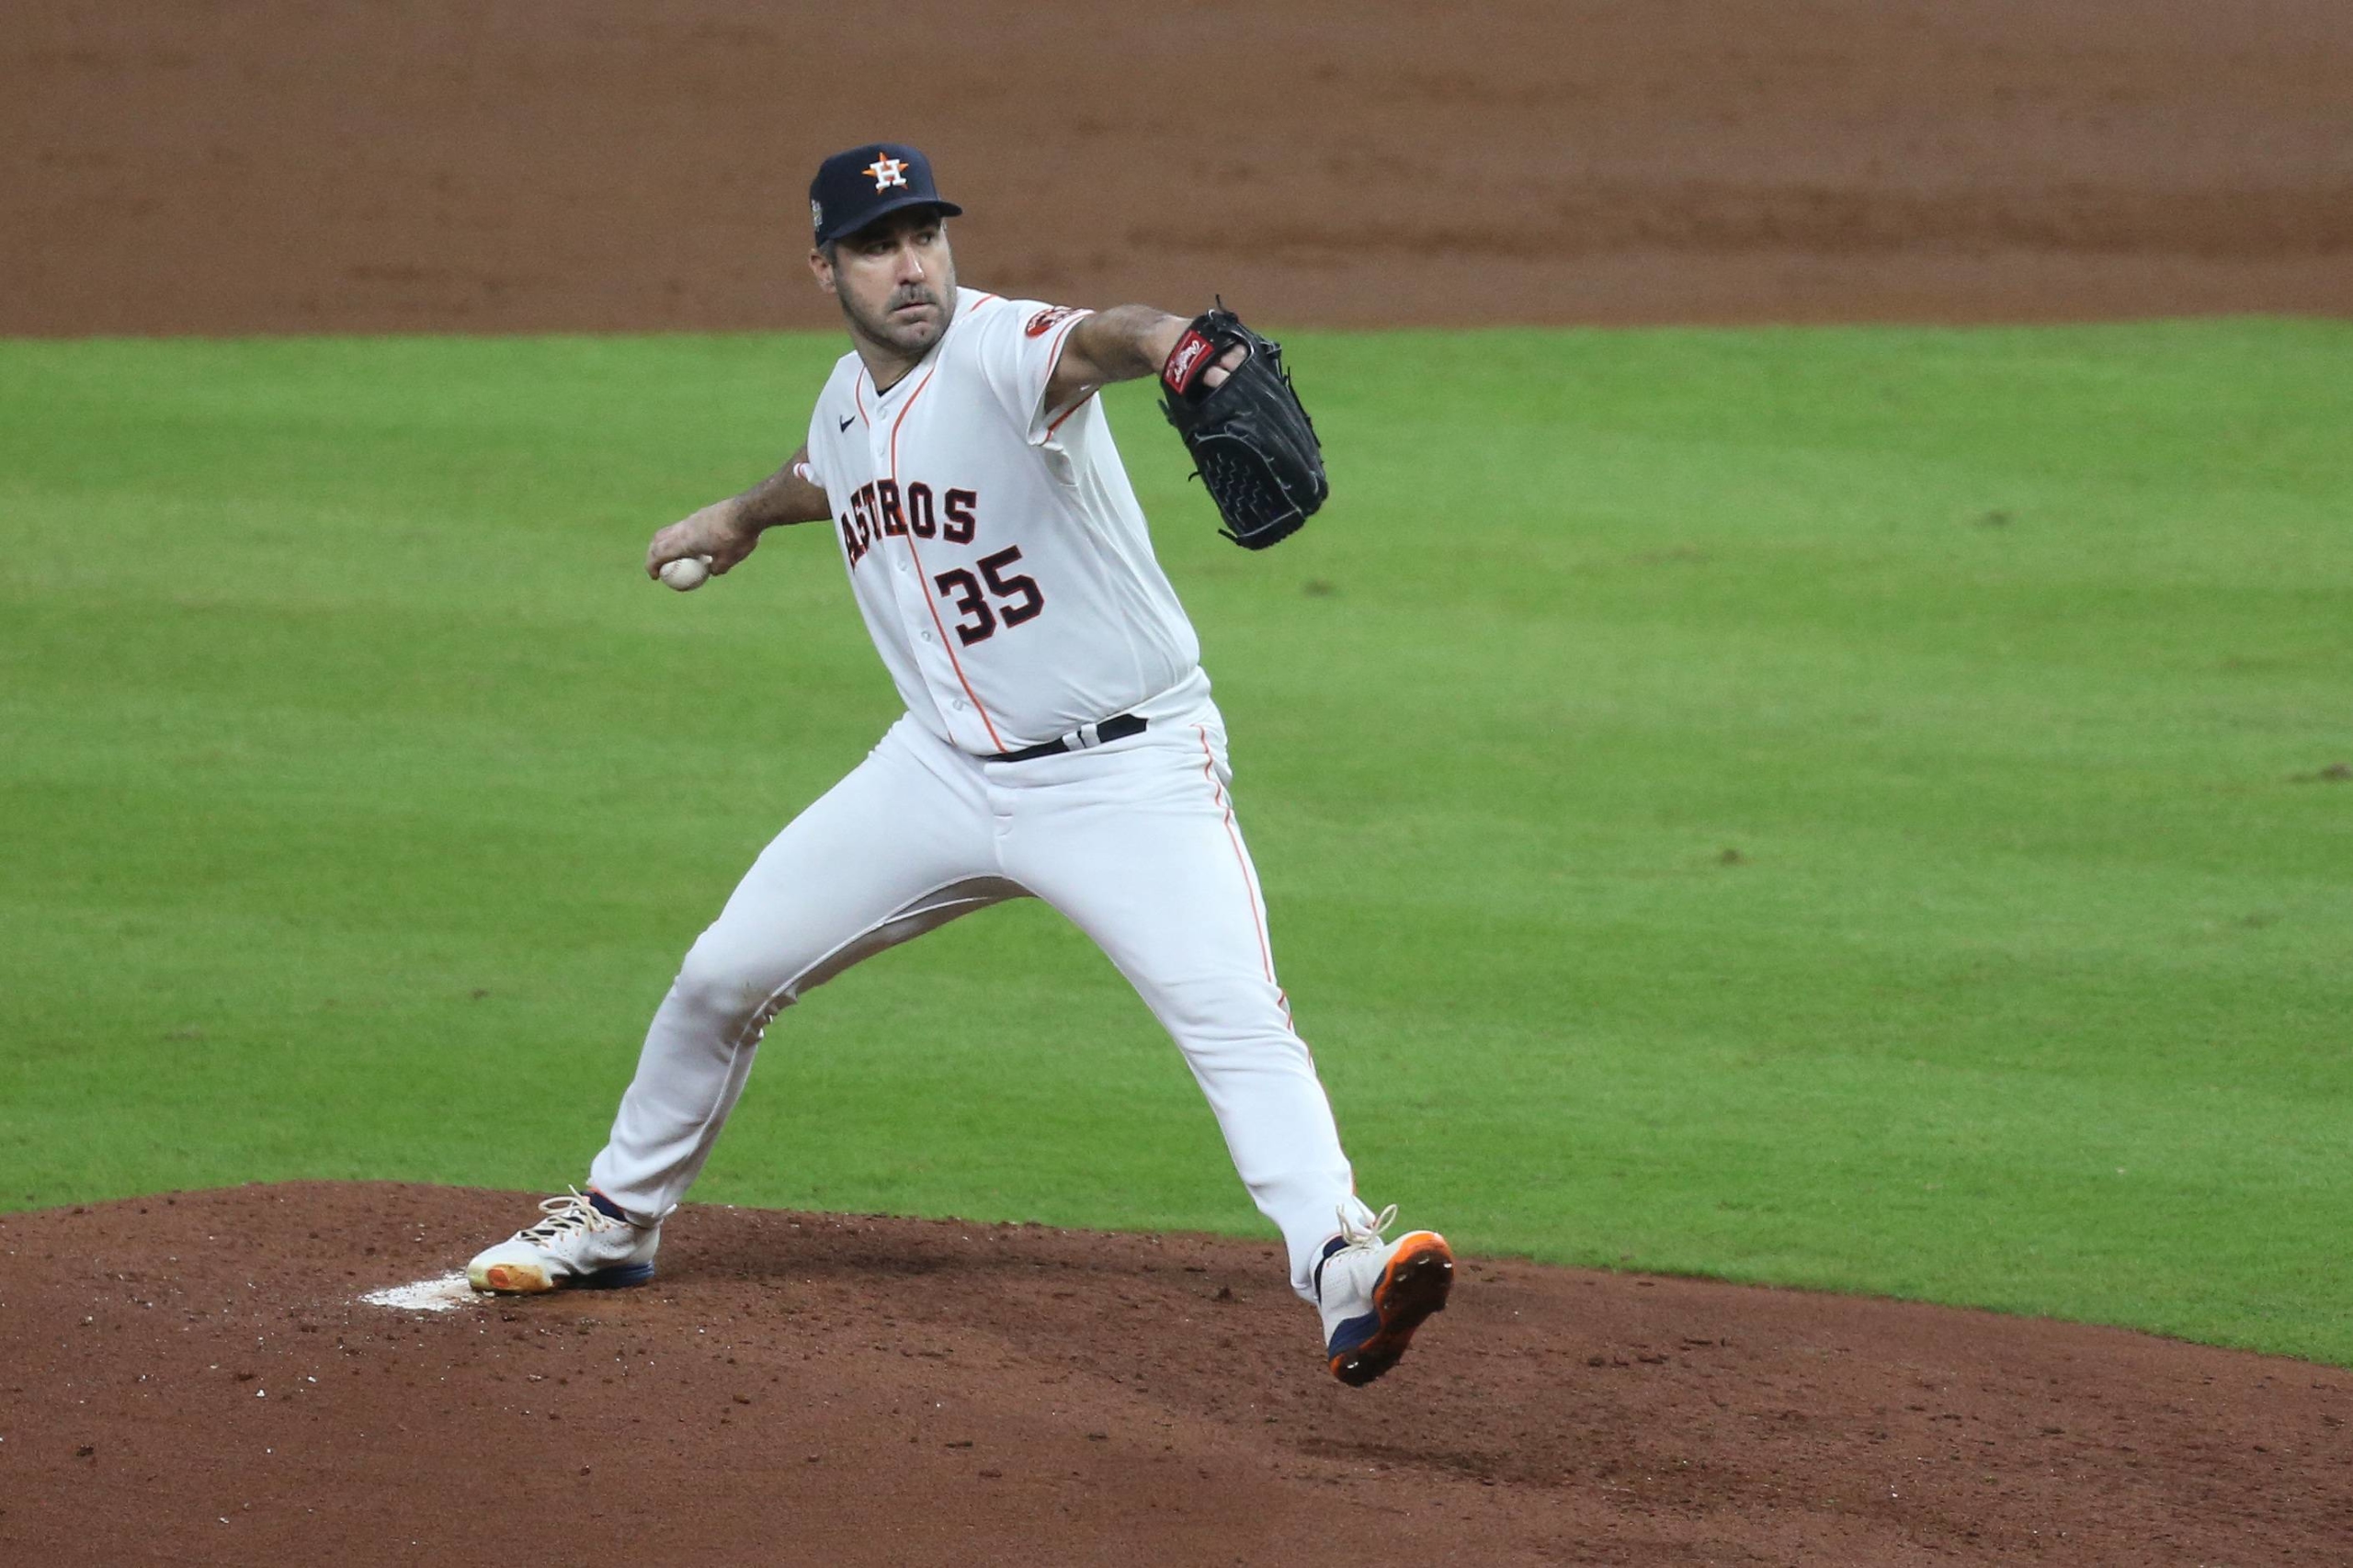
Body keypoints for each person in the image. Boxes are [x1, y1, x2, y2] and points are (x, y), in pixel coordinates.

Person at [464, 142, 1451, 1385]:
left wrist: (1181, 348)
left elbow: (1106, 335)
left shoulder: (1003, 349)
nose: (913, 263)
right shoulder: (842, 394)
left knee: (1234, 1020)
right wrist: (737, 517)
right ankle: (615, 1220)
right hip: (938, 775)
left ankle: (1343, 1267)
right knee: (723, 972)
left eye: (927, 233)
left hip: (1124, 775)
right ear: (825, 266)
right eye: (879, 243)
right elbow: (832, 469)